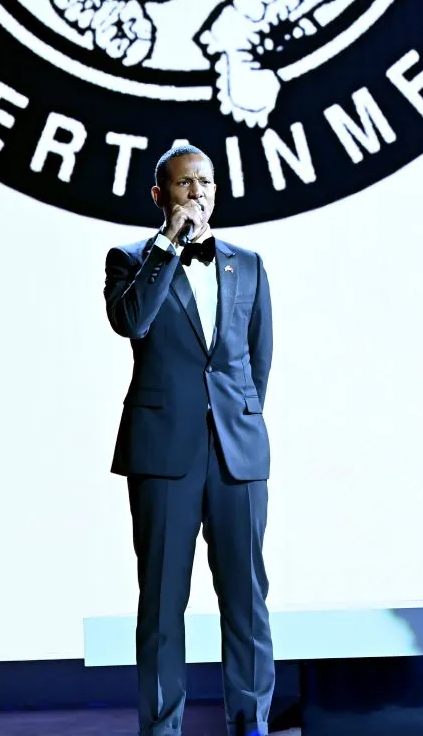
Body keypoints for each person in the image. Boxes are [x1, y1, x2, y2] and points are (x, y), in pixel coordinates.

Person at [104, 144, 275, 736]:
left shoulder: (247, 263)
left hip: (236, 450)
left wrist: (238, 419)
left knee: (247, 602)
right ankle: (162, 729)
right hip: (163, 451)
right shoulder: (129, 259)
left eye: (206, 183)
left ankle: (250, 724)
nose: (197, 193)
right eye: (184, 185)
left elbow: (257, 359)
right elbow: (132, 321)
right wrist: (168, 248)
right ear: (161, 196)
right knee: (161, 605)